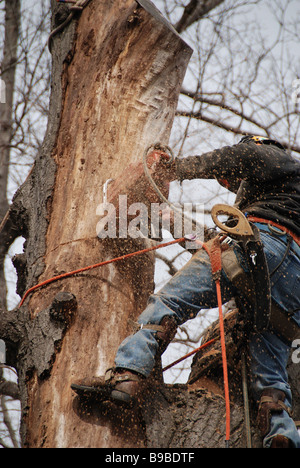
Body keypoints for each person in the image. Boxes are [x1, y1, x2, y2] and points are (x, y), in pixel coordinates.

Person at [72, 135, 300, 448]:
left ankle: (128, 374)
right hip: (291, 284)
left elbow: (246, 159)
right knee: (271, 369)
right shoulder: (283, 198)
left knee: (169, 302)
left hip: (262, 246)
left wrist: (176, 169)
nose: (234, 187)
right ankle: (281, 433)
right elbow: (215, 250)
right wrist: (169, 218)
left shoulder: (278, 161)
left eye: (235, 182)